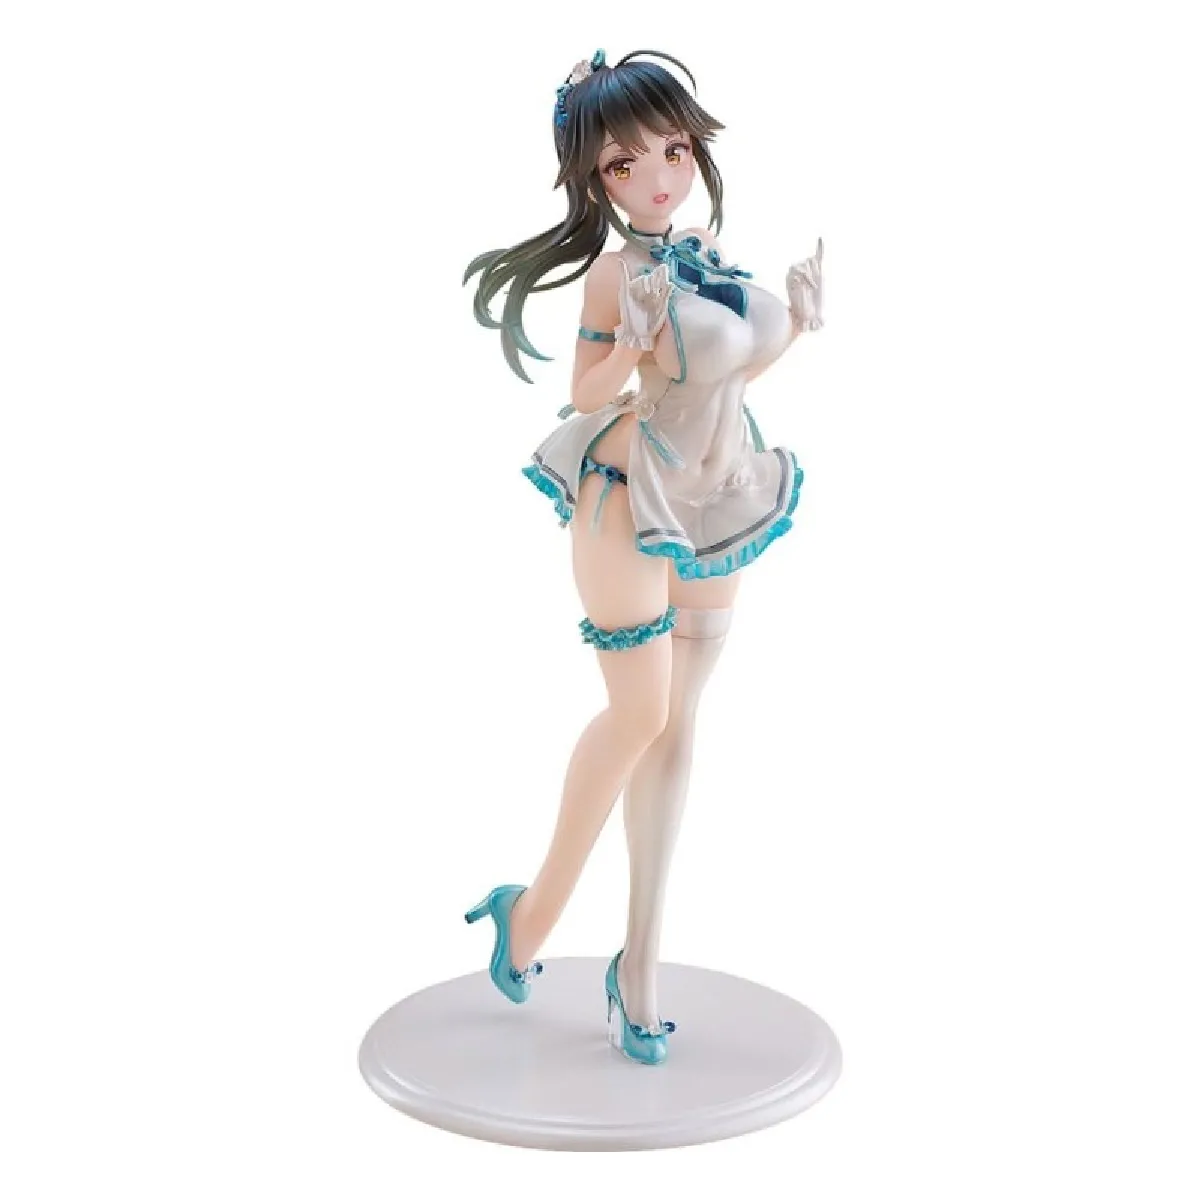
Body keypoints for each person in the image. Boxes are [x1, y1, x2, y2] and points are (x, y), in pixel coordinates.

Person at [462, 47, 824, 1065]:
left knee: (679, 722)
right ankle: (533, 912)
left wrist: (797, 323)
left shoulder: (710, 254)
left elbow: (728, 372)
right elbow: (585, 391)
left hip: (719, 497)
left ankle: (641, 970)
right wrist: (629, 341)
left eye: (672, 149)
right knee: (641, 713)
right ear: (597, 180)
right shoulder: (616, 273)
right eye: (626, 164)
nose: (659, 176)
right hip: (626, 495)